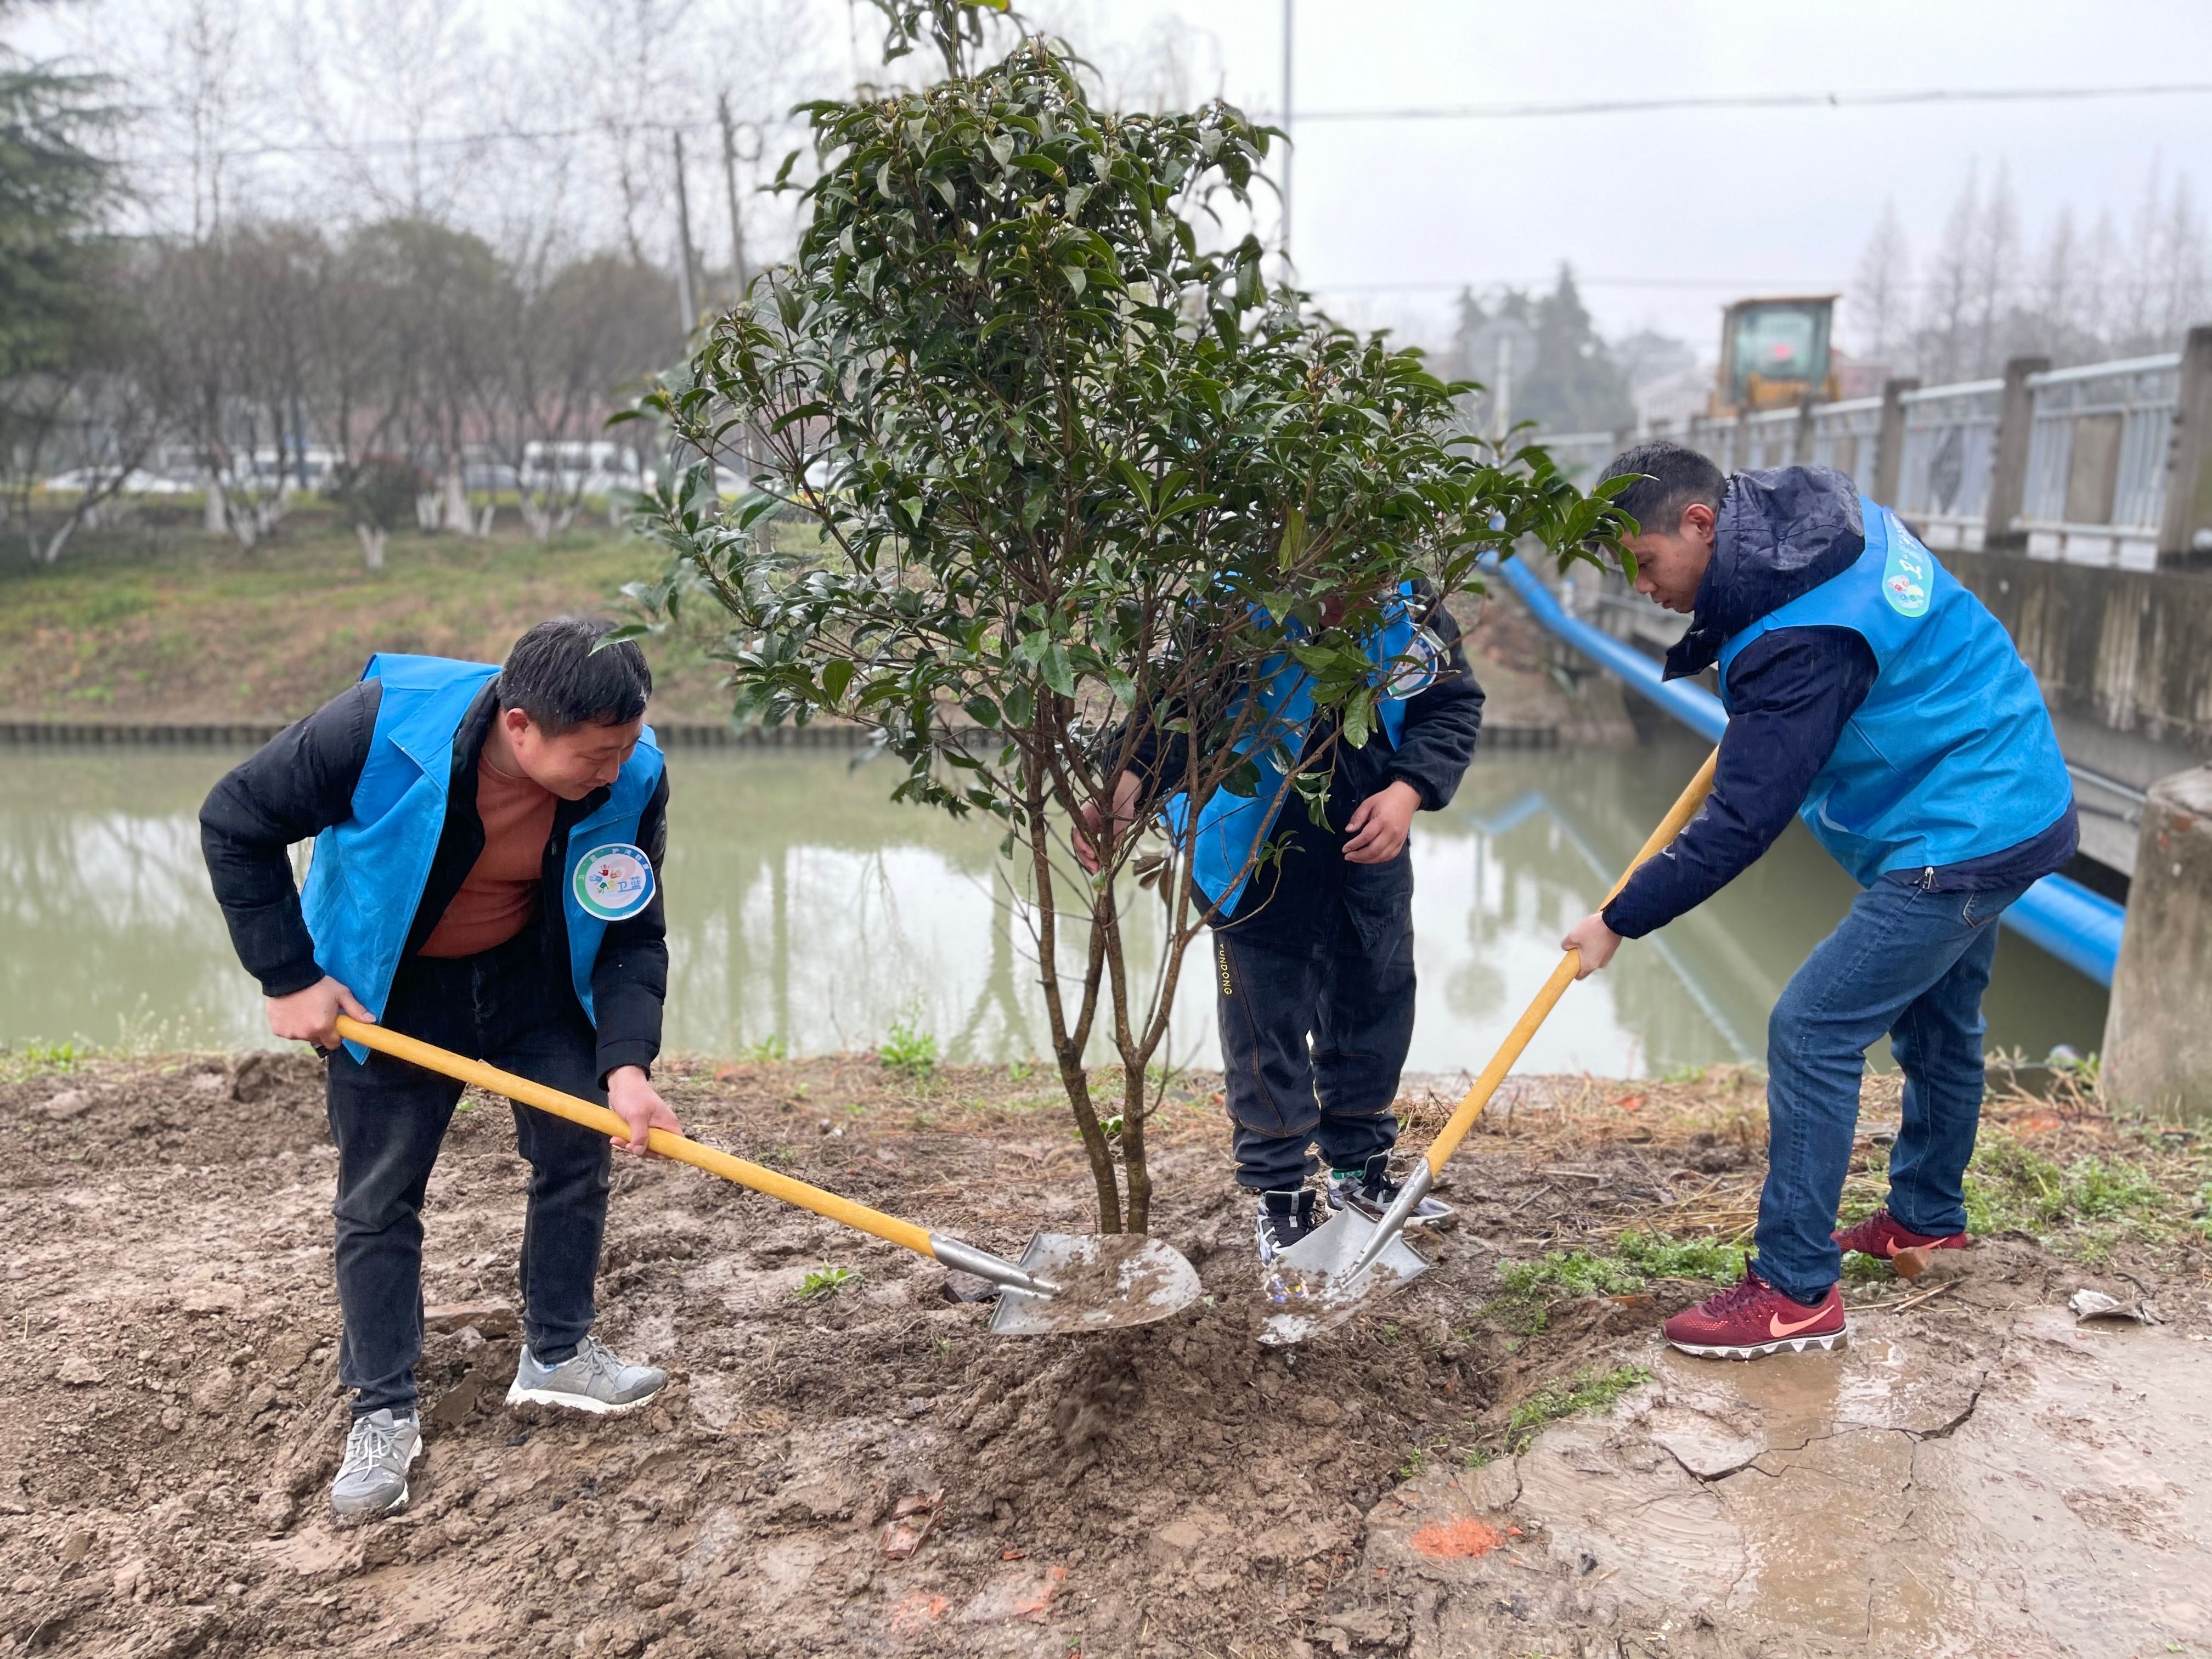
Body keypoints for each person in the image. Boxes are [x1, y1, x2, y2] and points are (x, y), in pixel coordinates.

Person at [1560, 445, 2077, 1360]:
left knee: (1812, 1029)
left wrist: (1617, 920)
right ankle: (1926, 1219)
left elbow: (1739, 825)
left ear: (1701, 523)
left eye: (1643, 562)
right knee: (1938, 1020)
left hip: (1961, 827)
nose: (1639, 587)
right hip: (2006, 776)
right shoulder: (1805, 520)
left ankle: (1794, 1291)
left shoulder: (1798, 642)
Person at [200, 618, 685, 1522]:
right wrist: (290, 976)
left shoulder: (634, 774)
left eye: (626, 747)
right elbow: (235, 821)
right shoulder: (379, 729)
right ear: (519, 727)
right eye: (596, 755)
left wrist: (626, 1066)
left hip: (532, 974)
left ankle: (558, 1352)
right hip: (395, 986)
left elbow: (631, 930)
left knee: (577, 1144)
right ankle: (382, 1409)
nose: (615, 770)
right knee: (380, 1195)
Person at [1082, 580, 1483, 1289]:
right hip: (1250, 859)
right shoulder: (1233, 605)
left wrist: (1408, 789)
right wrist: (1127, 780)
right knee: (1263, 1036)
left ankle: (1360, 1173)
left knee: (1376, 1014)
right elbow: (1174, 714)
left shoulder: (1410, 603)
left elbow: (1450, 704)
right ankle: (1282, 1198)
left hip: (1369, 860)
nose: (1347, 594)